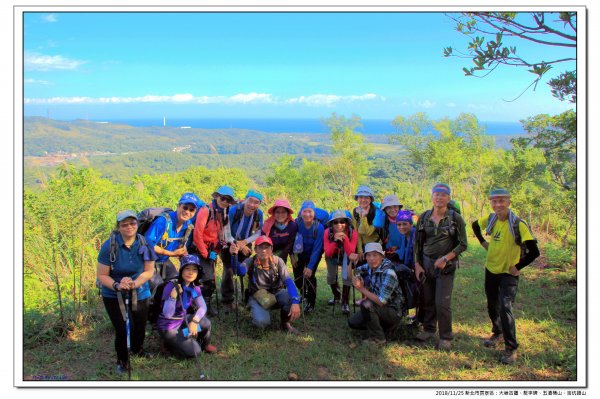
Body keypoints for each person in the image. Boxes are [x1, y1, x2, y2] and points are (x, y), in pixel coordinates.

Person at [472, 189, 540, 364]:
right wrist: (483, 242)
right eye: (494, 202)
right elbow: (474, 225)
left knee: (505, 306)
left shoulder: (518, 224)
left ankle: (511, 348)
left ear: (509, 202)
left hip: (508, 274)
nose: (498, 205)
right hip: (491, 269)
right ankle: (498, 332)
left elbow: (534, 251)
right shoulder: (491, 219)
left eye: (501, 201)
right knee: (492, 304)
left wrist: (518, 267)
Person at [97, 210, 157, 375]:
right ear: (118, 227)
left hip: (140, 291)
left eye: (132, 223)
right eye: (124, 224)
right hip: (113, 293)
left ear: (137, 224)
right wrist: (117, 285)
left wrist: (135, 283)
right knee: (123, 328)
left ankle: (137, 349)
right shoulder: (109, 246)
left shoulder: (146, 243)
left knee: (139, 325)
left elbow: (149, 271)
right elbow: (102, 275)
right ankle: (122, 360)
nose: (129, 227)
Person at [413, 183, 468, 351]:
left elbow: (463, 244)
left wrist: (446, 257)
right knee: (428, 299)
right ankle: (429, 329)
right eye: (436, 194)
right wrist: (417, 264)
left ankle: (445, 336)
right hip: (426, 263)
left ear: (448, 198)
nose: (439, 197)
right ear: (432, 197)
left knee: (442, 302)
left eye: (443, 195)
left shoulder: (455, 218)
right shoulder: (424, 217)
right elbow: (417, 243)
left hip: (446, 266)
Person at [232, 236, 301, 333]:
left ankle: (285, 323)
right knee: (262, 323)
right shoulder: (251, 261)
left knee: (292, 296)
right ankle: (255, 310)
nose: (263, 250)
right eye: (260, 247)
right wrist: (233, 256)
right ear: (255, 249)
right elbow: (239, 271)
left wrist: (295, 302)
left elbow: (288, 282)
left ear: (272, 249)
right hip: (257, 297)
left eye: (267, 247)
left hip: (276, 293)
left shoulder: (278, 261)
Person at [156, 254, 217, 357]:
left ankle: (201, 342)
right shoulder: (171, 286)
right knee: (195, 352)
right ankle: (170, 343)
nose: (191, 272)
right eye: (187, 268)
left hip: (182, 321)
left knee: (205, 323)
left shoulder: (193, 286)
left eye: (194, 269)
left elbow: (203, 307)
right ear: (181, 270)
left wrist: (194, 321)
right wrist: (172, 298)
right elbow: (167, 314)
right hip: (169, 327)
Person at [192, 186, 236, 316]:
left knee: (208, 280)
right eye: (223, 198)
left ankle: (203, 307)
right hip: (200, 250)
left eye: (228, 200)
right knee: (206, 280)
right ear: (216, 196)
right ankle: (201, 308)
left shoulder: (224, 211)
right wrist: (205, 254)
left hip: (212, 250)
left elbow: (222, 233)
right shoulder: (206, 210)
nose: (225, 201)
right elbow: (197, 234)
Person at [348, 242, 403, 345]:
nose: (372, 258)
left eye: (375, 255)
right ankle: (382, 327)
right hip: (378, 307)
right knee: (352, 322)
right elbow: (352, 275)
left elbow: (381, 301)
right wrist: (351, 262)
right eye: (369, 255)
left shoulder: (389, 272)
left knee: (367, 305)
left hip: (393, 311)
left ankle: (378, 338)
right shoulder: (370, 266)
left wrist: (362, 289)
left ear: (382, 256)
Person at [220, 189, 265, 312]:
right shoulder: (233, 210)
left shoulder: (258, 214)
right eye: (250, 201)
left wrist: (244, 243)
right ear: (245, 200)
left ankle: (247, 297)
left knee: (246, 269)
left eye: (256, 202)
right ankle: (227, 301)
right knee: (229, 270)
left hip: (245, 243)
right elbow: (226, 231)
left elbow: (259, 232)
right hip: (228, 243)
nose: (252, 205)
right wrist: (238, 244)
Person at [144, 192, 200, 284]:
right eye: (185, 207)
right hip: (148, 261)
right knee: (157, 286)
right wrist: (171, 253)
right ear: (178, 206)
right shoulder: (163, 221)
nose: (187, 212)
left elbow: (181, 245)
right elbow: (148, 244)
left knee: (176, 283)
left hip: (164, 260)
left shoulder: (188, 225)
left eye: (191, 210)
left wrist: (189, 261)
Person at [290, 200, 325, 314]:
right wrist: (292, 255)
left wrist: (310, 266)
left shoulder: (319, 227)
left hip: (313, 254)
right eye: (305, 211)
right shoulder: (296, 223)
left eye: (310, 212)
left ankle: (311, 302)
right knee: (298, 279)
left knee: (310, 277)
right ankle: (303, 295)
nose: (307, 214)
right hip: (299, 254)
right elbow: (290, 240)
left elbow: (317, 248)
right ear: (301, 212)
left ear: (314, 213)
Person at [323, 210, 359, 314]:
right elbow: (328, 252)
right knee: (331, 277)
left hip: (347, 255)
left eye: (342, 221)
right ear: (332, 224)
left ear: (347, 223)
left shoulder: (353, 233)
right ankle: (337, 296)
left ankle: (345, 302)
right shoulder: (327, 232)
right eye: (336, 222)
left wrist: (345, 238)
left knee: (347, 277)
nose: (339, 225)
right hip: (332, 256)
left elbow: (351, 252)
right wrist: (335, 241)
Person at [261, 199, 298, 265]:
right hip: (269, 252)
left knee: (280, 271)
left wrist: (291, 256)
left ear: (287, 214)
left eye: (283, 212)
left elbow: (291, 242)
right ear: (274, 213)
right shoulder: (267, 224)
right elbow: (262, 242)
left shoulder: (292, 225)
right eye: (277, 212)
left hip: (285, 251)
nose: (280, 215)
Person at [352, 186, 382, 257]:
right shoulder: (355, 212)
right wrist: (360, 250)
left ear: (370, 199)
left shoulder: (376, 212)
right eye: (361, 197)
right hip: (363, 246)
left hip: (376, 247)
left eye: (366, 197)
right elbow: (357, 232)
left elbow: (368, 232)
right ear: (357, 199)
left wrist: (364, 217)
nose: (363, 200)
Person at [380, 194, 404, 260]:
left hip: (404, 255)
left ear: (399, 207)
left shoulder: (405, 220)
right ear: (385, 210)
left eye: (395, 207)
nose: (392, 210)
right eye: (389, 207)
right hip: (388, 256)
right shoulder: (383, 221)